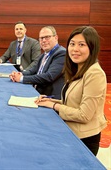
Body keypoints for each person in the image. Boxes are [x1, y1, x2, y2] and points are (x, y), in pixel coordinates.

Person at [36, 26, 107, 156]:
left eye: (81, 45)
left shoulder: (95, 73)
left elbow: (84, 115)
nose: (75, 49)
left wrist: (54, 105)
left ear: (92, 47)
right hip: (72, 133)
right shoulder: (78, 69)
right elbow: (73, 102)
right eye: (72, 44)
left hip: (84, 140)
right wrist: (50, 100)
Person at [10, 26, 66, 99]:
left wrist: (21, 79)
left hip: (50, 98)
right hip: (37, 93)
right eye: (41, 38)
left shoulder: (61, 54)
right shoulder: (44, 55)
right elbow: (33, 71)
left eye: (47, 37)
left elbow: (49, 77)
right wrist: (19, 74)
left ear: (56, 38)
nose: (44, 40)